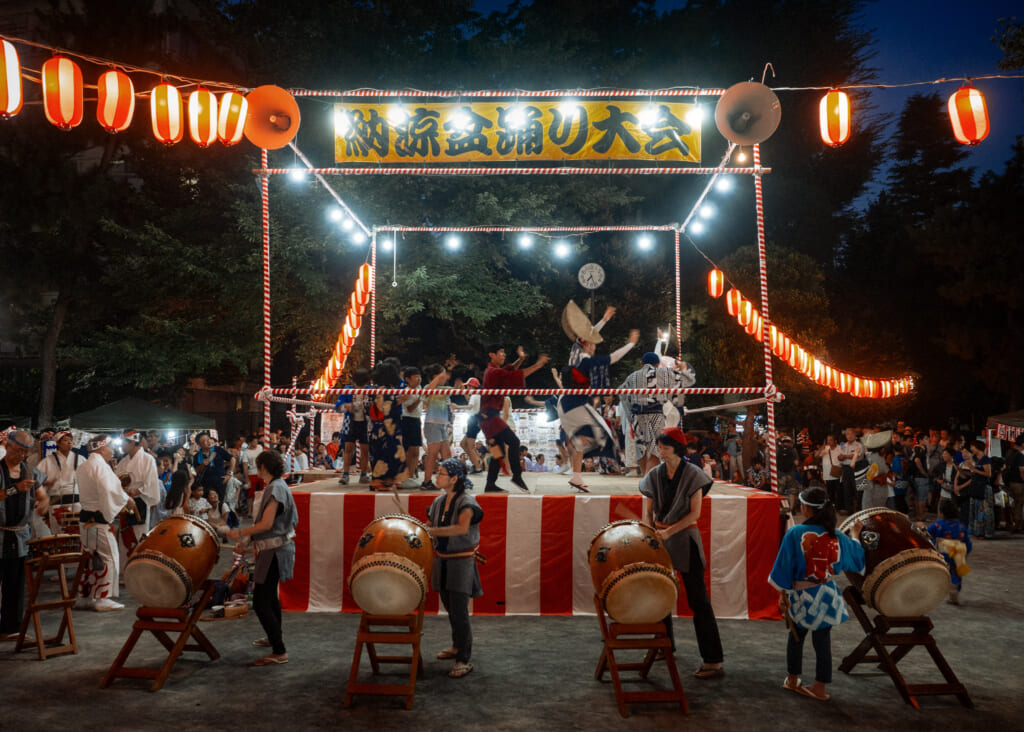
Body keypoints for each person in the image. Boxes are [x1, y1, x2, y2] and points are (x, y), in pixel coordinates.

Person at [639, 427, 724, 680]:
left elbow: (695, 514)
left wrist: (670, 531)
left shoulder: (694, 474)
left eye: (664, 447)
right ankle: (665, 645)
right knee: (661, 595)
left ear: (676, 447)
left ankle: (713, 660)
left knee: (698, 600)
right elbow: (648, 508)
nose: (661, 451)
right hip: (660, 539)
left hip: (686, 539)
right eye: (660, 447)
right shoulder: (654, 474)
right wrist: (649, 528)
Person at [770, 486, 866, 702]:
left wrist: (783, 593)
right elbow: (857, 556)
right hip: (826, 594)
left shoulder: (795, 533)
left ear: (806, 508)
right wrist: (857, 534)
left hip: (801, 594)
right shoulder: (836, 535)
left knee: (796, 638)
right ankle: (820, 687)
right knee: (822, 642)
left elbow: (784, 566)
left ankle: (793, 679)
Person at [226, 450, 298, 666]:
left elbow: (266, 525)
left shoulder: (276, 488)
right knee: (270, 597)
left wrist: (239, 533)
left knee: (261, 601)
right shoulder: (275, 486)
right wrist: (246, 541)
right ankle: (274, 636)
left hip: (274, 551)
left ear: (264, 467)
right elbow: (265, 524)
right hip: (272, 550)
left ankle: (279, 649)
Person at [425, 458, 484, 679]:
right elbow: (432, 525)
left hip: (461, 562)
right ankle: (456, 646)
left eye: (440, 473)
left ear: (454, 478)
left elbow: (461, 528)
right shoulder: (439, 501)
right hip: (443, 560)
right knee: (450, 607)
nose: (436, 477)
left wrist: (431, 532)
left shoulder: (467, 502)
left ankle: (463, 659)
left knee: (459, 611)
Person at [480, 344, 549, 493]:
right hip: (489, 416)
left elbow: (509, 370)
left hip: (488, 416)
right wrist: (539, 364)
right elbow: (518, 374)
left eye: (504, 353)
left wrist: (521, 359)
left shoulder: (494, 371)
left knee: (499, 453)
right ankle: (517, 476)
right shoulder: (493, 372)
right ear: (492, 355)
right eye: (501, 353)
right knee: (514, 441)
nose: (504, 355)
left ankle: (490, 484)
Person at [1, 431, 49, 640]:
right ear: (7, 445)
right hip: (0, 534)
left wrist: (43, 501)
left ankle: (11, 628)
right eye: (19, 450)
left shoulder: (30, 470)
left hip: (20, 536)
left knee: (16, 583)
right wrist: (15, 489)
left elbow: (42, 494)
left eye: (25, 452)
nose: (21, 455)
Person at [75, 435, 131, 611]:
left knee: (90, 558)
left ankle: (84, 597)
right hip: (97, 519)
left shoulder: (84, 465)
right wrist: (126, 500)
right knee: (107, 557)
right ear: (101, 448)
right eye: (110, 447)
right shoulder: (100, 466)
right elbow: (109, 490)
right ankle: (102, 598)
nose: (113, 451)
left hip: (85, 518)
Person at [618, 351, 694, 478]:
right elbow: (687, 380)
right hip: (656, 415)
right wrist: (684, 368)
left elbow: (622, 394)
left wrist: (630, 415)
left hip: (638, 416)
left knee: (641, 449)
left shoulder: (631, 376)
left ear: (641, 363)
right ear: (658, 364)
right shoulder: (663, 373)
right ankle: (648, 481)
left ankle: (645, 478)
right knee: (655, 451)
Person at [115, 430, 162, 566]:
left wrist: (138, 491)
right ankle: (125, 568)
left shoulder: (148, 459)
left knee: (138, 535)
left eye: (124, 442)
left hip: (140, 501)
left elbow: (151, 483)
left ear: (133, 442)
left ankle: (137, 567)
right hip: (125, 501)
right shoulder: (123, 461)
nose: (122, 446)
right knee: (124, 536)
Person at [926, 500, 973, 605]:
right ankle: (954, 592)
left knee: (943, 571)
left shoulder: (939, 525)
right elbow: (967, 541)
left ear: (942, 513)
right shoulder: (961, 525)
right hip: (959, 551)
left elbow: (927, 533)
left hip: (944, 552)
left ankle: (942, 588)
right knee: (956, 572)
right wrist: (966, 552)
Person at [38, 430, 83, 535]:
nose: (69, 443)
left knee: (77, 534)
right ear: (57, 443)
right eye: (66, 440)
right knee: (58, 535)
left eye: (71, 440)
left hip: (76, 501)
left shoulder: (81, 459)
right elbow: (37, 481)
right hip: (56, 503)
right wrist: (46, 483)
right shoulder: (47, 461)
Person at [338, 368, 371, 484]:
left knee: (365, 450)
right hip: (350, 422)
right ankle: (345, 474)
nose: (360, 386)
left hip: (365, 423)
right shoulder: (348, 390)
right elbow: (338, 406)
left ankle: (363, 474)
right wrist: (346, 406)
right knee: (348, 449)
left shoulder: (369, 390)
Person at [193, 432, 235, 504]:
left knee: (221, 504)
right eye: (204, 441)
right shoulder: (197, 456)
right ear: (199, 445)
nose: (208, 442)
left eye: (208, 439)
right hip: (206, 485)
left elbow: (232, 459)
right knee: (207, 505)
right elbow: (195, 471)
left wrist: (229, 474)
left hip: (220, 483)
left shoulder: (218, 450)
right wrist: (202, 465)